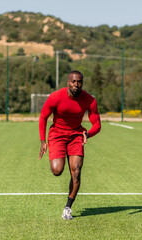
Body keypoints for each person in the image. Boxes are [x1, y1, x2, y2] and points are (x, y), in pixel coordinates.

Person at [38, 70, 101, 220]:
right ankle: (59, 162)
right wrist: (42, 141)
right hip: (57, 135)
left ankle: (68, 207)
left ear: (82, 83)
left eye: (79, 82)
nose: (76, 84)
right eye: (73, 81)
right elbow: (43, 117)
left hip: (76, 136)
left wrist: (88, 133)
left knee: (76, 172)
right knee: (57, 170)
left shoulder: (89, 100)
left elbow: (97, 123)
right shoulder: (55, 97)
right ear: (68, 82)